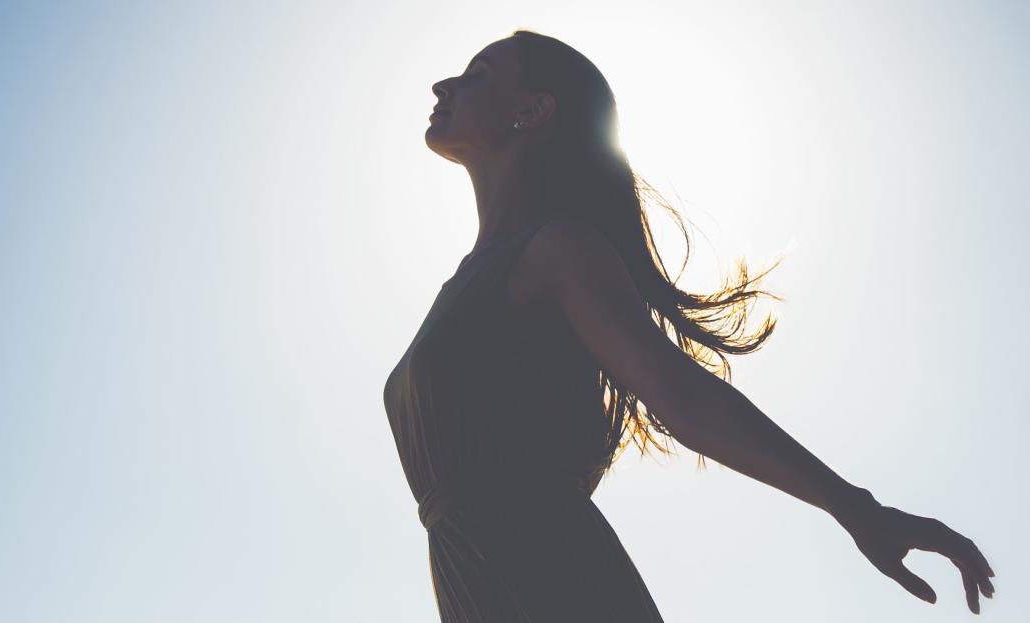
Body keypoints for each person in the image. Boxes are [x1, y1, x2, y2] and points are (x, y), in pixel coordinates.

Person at [383, 29, 997, 621]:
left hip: (554, 582)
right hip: (478, 583)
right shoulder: (469, 281)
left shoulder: (558, 250)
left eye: (476, 76)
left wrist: (857, 509)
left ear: (534, 110)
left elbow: (684, 397)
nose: (444, 85)